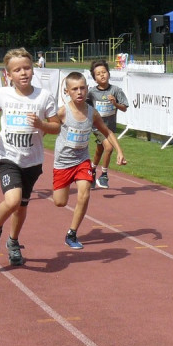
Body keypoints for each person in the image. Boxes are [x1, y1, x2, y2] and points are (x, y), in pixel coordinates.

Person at [0, 48, 60, 267]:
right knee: (13, 200)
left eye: (27, 68)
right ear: (9, 75)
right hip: (7, 157)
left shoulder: (43, 97)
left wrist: (41, 124)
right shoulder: (3, 94)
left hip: (32, 161)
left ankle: (13, 242)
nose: (23, 73)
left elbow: (56, 127)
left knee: (22, 206)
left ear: (33, 70)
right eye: (17, 70)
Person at [52, 72, 126, 249]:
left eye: (83, 88)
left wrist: (119, 151)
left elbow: (107, 131)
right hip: (62, 162)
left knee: (85, 192)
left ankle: (72, 233)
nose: (80, 92)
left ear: (87, 89)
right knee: (60, 202)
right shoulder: (63, 112)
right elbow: (48, 128)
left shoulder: (92, 113)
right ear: (67, 91)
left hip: (82, 160)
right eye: (75, 89)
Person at [88, 59, 129, 189]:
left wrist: (115, 104)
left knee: (100, 150)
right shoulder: (92, 93)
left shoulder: (116, 90)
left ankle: (92, 171)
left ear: (109, 74)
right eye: (98, 74)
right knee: (109, 148)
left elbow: (124, 108)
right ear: (94, 78)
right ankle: (104, 175)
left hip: (110, 126)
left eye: (104, 72)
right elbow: (85, 106)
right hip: (98, 127)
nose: (102, 75)